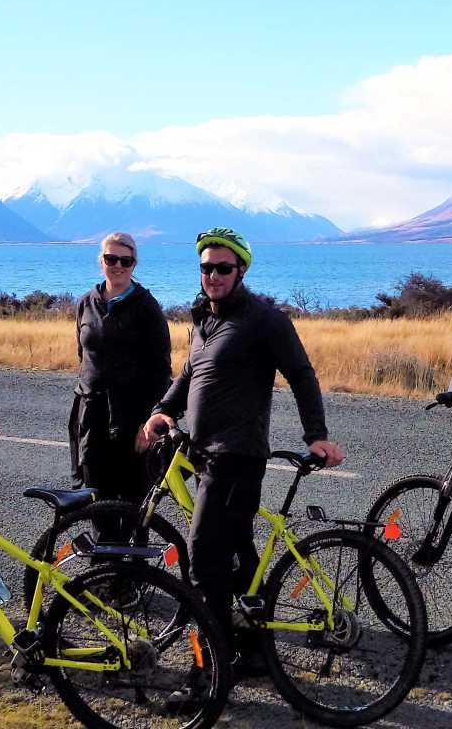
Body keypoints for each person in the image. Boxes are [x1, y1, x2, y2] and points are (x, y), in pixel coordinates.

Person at [139, 227, 342, 676]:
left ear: (241, 270)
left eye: (222, 268)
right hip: (204, 453)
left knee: (202, 561)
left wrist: (316, 434)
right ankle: (253, 648)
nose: (212, 275)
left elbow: (302, 374)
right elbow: (189, 375)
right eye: (206, 267)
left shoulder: (264, 320)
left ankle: (214, 668)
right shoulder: (204, 319)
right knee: (237, 552)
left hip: (236, 456)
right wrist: (162, 411)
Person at [71, 232, 171, 536]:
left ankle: (132, 565)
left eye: (125, 261)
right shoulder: (87, 302)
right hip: (91, 415)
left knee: (133, 506)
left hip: (132, 418)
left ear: (134, 264)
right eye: (111, 259)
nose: (117, 266)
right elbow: (84, 356)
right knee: (96, 500)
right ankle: (103, 564)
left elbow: (161, 371)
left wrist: (149, 423)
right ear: (101, 261)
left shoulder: (146, 306)